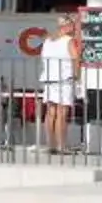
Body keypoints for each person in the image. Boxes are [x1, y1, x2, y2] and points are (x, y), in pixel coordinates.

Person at [37, 13, 79, 153]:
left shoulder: (48, 41)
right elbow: (75, 58)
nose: (74, 28)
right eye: (73, 25)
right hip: (64, 80)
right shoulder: (69, 40)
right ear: (66, 26)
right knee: (62, 113)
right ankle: (62, 145)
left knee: (50, 113)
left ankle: (51, 145)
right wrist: (77, 75)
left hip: (49, 79)